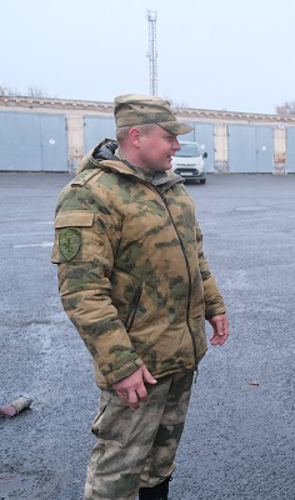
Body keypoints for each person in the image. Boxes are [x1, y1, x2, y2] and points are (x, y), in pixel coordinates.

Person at [52, 94, 229, 500]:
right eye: (169, 137)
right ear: (136, 136)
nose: (177, 147)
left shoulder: (172, 189)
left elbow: (195, 257)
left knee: (159, 465)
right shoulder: (92, 194)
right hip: (138, 365)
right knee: (117, 475)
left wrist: (214, 307)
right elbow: (82, 292)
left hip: (180, 355)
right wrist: (120, 365)